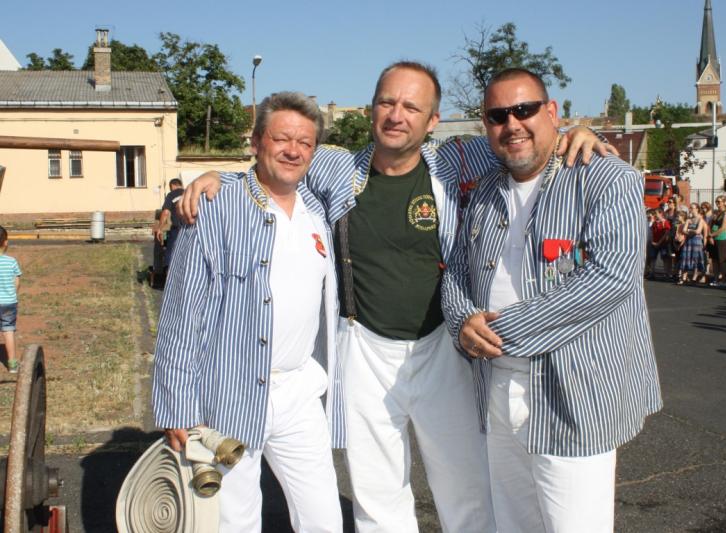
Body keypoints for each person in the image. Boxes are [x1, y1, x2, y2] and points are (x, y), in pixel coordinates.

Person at [179, 61, 612, 533]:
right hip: (365, 350)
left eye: (411, 106)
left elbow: (523, 137)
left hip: (443, 347)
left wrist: (574, 132)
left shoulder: (457, 160)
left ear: (433, 121)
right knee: (377, 495)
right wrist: (220, 178)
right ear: (371, 109)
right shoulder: (337, 168)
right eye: (387, 102)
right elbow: (276, 164)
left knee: (466, 488)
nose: (396, 115)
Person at [441, 68, 662, 532]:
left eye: (524, 110)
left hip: (574, 392)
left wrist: (497, 331)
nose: (512, 124)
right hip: (497, 388)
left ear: (552, 112)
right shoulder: (484, 189)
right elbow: (458, 270)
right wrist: (462, 321)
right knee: (513, 523)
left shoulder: (606, 178)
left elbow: (611, 277)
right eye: (497, 116)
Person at [152, 92, 344, 533]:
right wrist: (176, 403)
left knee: (324, 517)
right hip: (230, 390)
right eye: (281, 138)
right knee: (234, 522)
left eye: (305, 142)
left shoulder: (316, 211)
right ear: (256, 142)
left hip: (299, 391)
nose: (293, 150)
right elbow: (181, 312)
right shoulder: (216, 207)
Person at [0, 226, 21, 374]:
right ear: (5, 242)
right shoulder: (12, 261)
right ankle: (12, 364)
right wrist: (12, 294)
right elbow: (16, 282)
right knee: (8, 330)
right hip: (9, 302)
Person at [153, 178, 185, 270]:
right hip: (192, 228)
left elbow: (165, 212)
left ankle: (169, 272)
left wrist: (160, 228)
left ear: (172, 185)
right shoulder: (189, 192)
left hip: (178, 228)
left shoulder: (171, 194)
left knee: (171, 252)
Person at [678, 203, 708, 285]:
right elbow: (683, 230)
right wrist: (690, 231)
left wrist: (689, 230)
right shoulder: (688, 220)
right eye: (690, 208)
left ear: (697, 209)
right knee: (685, 257)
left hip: (697, 241)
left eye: (692, 208)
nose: (690, 209)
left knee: (696, 259)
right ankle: (684, 277)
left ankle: (694, 277)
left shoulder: (700, 220)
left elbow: (698, 231)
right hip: (688, 241)